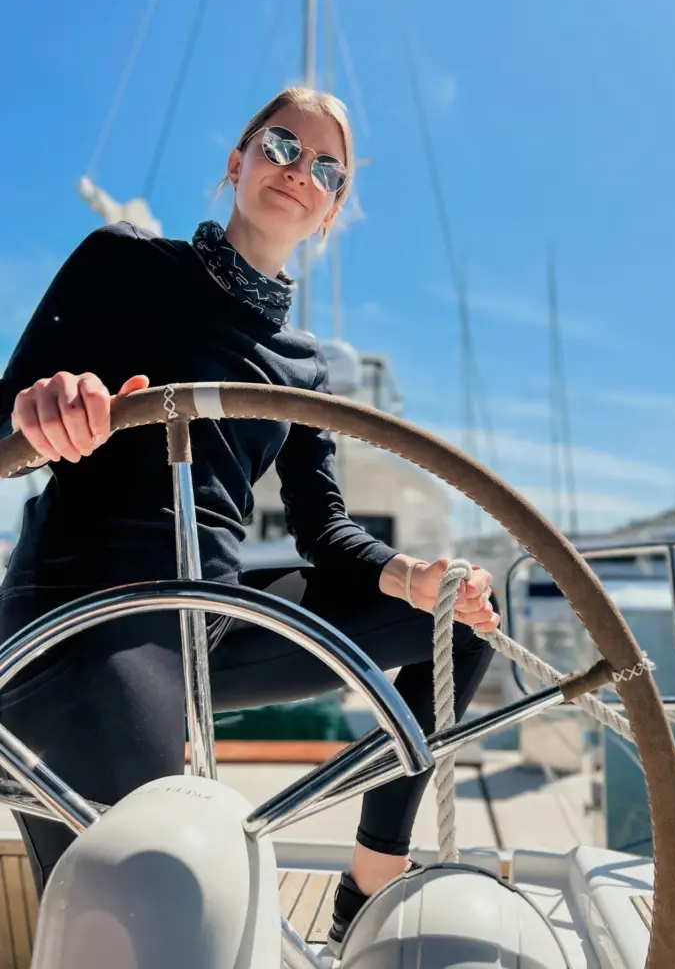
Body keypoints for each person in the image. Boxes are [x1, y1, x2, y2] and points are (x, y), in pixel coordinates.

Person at [0, 86, 498, 952]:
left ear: (333, 210)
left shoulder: (304, 370)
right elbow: (4, 423)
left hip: (214, 623)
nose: (299, 171)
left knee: (454, 624)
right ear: (236, 163)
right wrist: (45, 410)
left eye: (326, 168)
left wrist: (411, 576)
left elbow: (325, 532)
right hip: (82, 612)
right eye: (280, 146)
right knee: (150, 886)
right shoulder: (123, 264)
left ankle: (367, 887)